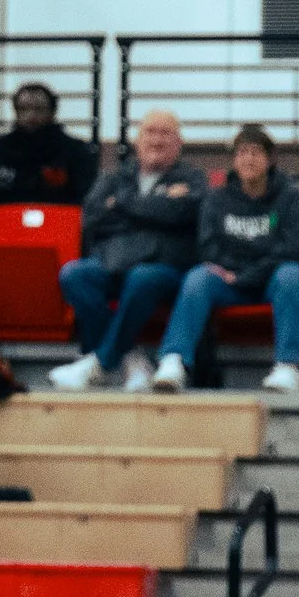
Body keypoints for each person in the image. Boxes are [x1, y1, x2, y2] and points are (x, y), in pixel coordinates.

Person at [152, 124, 299, 396]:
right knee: (198, 277)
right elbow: (208, 248)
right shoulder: (216, 199)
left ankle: (288, 367)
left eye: (256, 152)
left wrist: (247, 273)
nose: (249, 159)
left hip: (280, 280)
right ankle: (173, 361)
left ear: (270, 159)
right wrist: (238, 272)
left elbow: (295, 250)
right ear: (233, 160)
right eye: (242, 152)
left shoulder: (292, 198)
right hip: (233, 281)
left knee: (290, 274)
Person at [50, 110, 205, 392]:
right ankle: (129, 358)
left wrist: (121, 205)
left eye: (165, 133)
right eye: (150, 132)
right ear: (136, 139)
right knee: (74, 274)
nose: (156, 140)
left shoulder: (193, 179)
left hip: (164, 268)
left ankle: (101, 361)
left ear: (179, 143)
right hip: (113, 263)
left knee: (143, 278)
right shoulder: (114, 177)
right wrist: (155, 209)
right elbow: (93, 218)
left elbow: (181, 214)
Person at [0, 85, 97, 210]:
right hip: (6, 223)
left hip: (59, 223)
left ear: (52, 112)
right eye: (23, 109)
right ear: (16, 111)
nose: (31, 116)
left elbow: (86, 198)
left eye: (39, 109)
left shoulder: (75, 151)